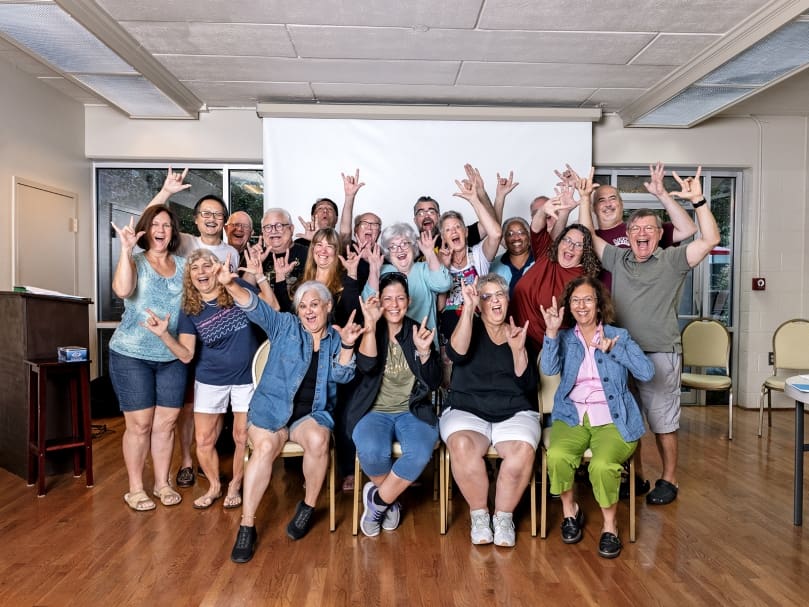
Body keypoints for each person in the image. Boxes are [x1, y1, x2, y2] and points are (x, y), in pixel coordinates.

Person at [578, 166, 720, 506]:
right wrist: (584, 198)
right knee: (628, 420)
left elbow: (711, 238)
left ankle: (669, 479)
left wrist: (697, 199)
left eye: (649, 228)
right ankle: (636, 477)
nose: (642, 233)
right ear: (628, 234)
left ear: (659, 235)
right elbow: (587, 235)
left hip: (659, 353)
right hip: (620, 353)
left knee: (662, 421)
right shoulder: (618, 258)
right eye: (636, 228)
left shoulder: (673, 259)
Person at [222, 275, 364, 563]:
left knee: (319, 439)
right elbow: (254, 307)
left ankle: (308, 506)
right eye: (302, 306)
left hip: (311, 414)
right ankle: (247, 525)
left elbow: (342, 376)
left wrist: (348, 346)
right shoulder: (284, 326)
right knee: (263, 449)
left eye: (314, 304)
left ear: (327, 306)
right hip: (271, 410)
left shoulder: (337, 338)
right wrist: (230, 284)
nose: (308, 310)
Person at [142, 248, 273, 510]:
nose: (201, 271)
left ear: (217, 269)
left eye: (206, 265)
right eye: (195, 268)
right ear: (190, 277)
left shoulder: (235, 287)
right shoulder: (190, 309)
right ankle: (214, 486)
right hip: (210, 379)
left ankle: (235, 484)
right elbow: (187, 355)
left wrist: (259, 277)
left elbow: (274, 309)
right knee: (203, 440)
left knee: (240, 437)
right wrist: (164, 335)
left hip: (246, 379)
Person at [540, 276, 654, 558]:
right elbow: (549, 368)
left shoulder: (619, 336)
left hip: (614, 418)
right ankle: (570, 512)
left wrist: (615, 349)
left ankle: (610, 527)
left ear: (599, 305)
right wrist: (551, 333)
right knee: (556, 457)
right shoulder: (566, 339)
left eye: (588, 299)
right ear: (569, 306)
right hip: (572, 415)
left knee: (603, 465)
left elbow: (647, 372)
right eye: (576, 300)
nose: (582, 305)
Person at [146, 167, 240, 490]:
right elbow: (150, 228)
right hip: (183, 328)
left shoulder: (232, 252)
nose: (212, 219)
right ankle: (187, 462)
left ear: (224, 222)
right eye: (206, 214)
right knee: (187, 406)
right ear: (197, 220)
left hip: (215, 340)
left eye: (218, 215)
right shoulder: (185, 242)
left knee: (209, 409)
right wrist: (166, 193)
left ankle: (207, 462)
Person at [440, 274, 539, 547]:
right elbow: (456, 354)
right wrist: (468, 309)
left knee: (523, 449)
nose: (495, 300)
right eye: (487, 296)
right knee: (460, 444)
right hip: (466, 409)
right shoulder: (468, 326)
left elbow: (530, 385)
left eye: (500, 295)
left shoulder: (518, 333)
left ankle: (504, 517)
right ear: (479, 303)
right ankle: (480, 515)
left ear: (507, 300)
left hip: (513, 410)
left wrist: (518, 351)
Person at [347, 273, 442, 536]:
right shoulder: (373, 329)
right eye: (387, 298)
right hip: (374, 411)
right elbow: (366, 367)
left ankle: (378, 502)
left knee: (420, 453)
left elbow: (434, 382)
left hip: (412, 411)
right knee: (372, 452)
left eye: (400, 298)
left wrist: (424, 352)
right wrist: (369, 324)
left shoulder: (418, 332)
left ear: (409, 301)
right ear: (379, 301)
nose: (394, 304)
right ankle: (392, 501)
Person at [109, 205, 187, 512]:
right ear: (146, 230)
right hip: (132, 354)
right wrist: (126, 250)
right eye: (155, 224)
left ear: (173, 232)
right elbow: (122, 289)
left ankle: (162, 483)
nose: (161, 230)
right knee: (140, 425)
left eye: (167, 225)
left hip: (171, 354)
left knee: (165, 425)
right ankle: (136, 488)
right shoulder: (135, 260)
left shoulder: (183, 266)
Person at [509, 194, 601, 352]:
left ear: (585, 252)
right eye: (567, 241)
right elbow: (536, 228)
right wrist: (545, 210)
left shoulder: (583, 280)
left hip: (546, 351)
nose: (570, 247)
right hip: (513, 339)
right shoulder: (547, 255)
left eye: (579, 245)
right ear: (559, 242)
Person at [363, 223, 451, 346]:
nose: (400, 250)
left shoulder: (424, 268)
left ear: (413, 246)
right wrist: (374, 270)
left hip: (425, 344)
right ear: (388, 252)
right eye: (393, 246)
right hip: (390, 347)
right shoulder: (383, 270)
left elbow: (444, 285)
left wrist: (430, 253)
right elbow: (368, 302)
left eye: (404, 244)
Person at [437, 178, 503, 341]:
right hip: (451, 329)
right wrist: (444, 268)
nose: (453, 231)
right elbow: (440, 306)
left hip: (480, 325)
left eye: (457, 227)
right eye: (448, 229)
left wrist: (474, 199)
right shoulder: (438, 262)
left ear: (466, 232)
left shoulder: (479, 253)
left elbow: (495, 233)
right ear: (443, 237)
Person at [257, 207, 308, 302]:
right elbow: (243, 294)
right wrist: (256, 263)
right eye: (268, 227)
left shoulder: (309, 254)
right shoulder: (255, 255)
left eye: (279, 226)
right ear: (263, 232)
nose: (273, 231)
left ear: (291, 229)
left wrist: (318, 239)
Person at [490, 216, 534, 297]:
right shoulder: (494, 265)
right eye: (510, 234)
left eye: (521, 233)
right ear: (504, 240)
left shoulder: (540, 262)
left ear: (529, 237)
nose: (516, 238)